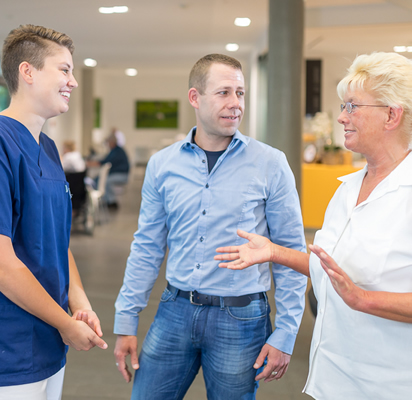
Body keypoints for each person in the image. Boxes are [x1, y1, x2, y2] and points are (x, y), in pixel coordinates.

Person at [215, 52, 412, 399]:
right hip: (334, 376)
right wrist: (275, 252)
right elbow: (331, 271)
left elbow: (353, 292)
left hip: (389, 383)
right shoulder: (348, 189)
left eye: (353, 106)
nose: (341, 117)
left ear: (392, 115)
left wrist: (365, 300)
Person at [114, 54, 307, 400]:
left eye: (241, 93)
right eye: (223, 93)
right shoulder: (163, 165)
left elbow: (292, 252)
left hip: (242, 318)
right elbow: (147, 246)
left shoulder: (270, 163)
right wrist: (126, 320)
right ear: (195, 97)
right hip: (174, 309)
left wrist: (287, 331)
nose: (235, 104)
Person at [0, 24, 107, 399]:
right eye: (64, 69)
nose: (73, 81)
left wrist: (80, 304)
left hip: (50, 347)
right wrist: (65, 322)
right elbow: (1, 262)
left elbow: (57, 241)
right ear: (27, 71)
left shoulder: (47, 149)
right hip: (10, 353)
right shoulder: (1, 144)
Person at [87, 131, 130, 209]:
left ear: (112, 142)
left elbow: (105, 162)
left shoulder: (117, 152)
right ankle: (105, 200)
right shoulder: (115, 151)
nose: (107, 144)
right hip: (117, 173)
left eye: (108, 142)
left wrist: (89, 163)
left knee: (105, 181)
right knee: (98, 179)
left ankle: (111, 202)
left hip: (121, 175)